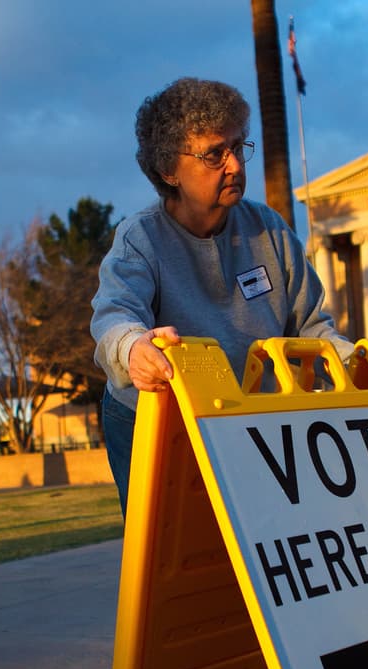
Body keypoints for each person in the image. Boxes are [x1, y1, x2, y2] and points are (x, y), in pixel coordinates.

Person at [90, 77, 353, 514]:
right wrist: (133, 348)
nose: (234, 165)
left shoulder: (269, 229)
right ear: (168, 170)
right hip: (153, 418)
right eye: (214, 154)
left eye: (237, 147)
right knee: (170, 542)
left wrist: (355, 366)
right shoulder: (140, 239)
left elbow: (310, 327)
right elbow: (115, 316)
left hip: (246, 416)